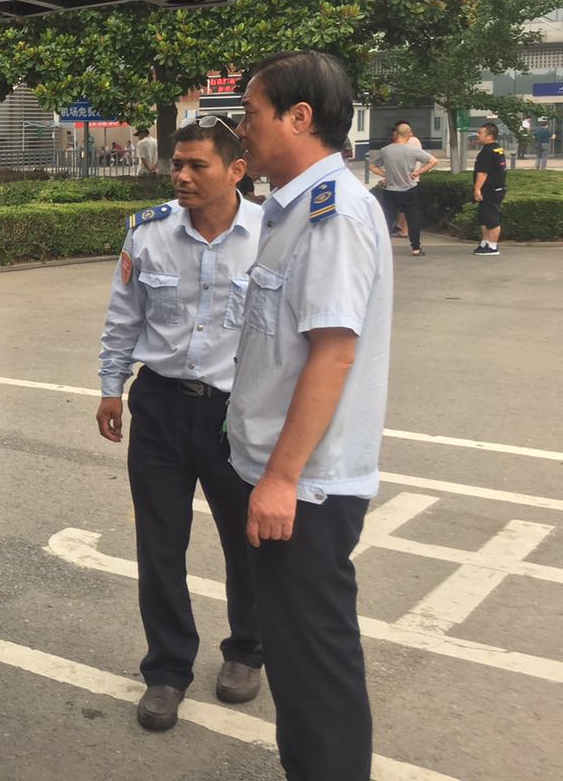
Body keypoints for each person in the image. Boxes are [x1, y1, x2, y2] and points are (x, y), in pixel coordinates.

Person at [229, 50, 393, 781]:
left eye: (251, 114)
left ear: (299, 118)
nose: (242, 129)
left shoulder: (333, 213)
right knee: (297, 662)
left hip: (308, 488)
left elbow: (332, 355)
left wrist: (281, 478)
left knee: (315, 668)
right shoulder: (292, 207)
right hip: (288, 477)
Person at [96, 118, 264, 732]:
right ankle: (167, 671)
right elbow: (124, 314)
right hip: (161, 406)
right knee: (160, 545)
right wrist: (111, 386)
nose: (182, 176)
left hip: (235, 414)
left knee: (246, 541)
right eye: (177, 165)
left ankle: (247, 650)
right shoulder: (148, 232)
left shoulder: (270, 234)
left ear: (236, 171)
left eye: (198, 166)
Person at [368, 122, 437, 256]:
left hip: (390, 190)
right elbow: (433, 161)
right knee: (413, 219)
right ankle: (416, 248)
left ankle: (382, 248)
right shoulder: (412, 150)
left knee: (387, 219)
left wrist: (386, 175)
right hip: (409, 189)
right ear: (408, 134)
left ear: (397, 134)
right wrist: (417, 172)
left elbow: (372, 166)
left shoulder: (385, 150)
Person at [472, 122, 507, 255]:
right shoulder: (497, 149)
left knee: (491, 218)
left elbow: (483, 172)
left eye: (480, 133)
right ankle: (485, 242)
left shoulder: (487, 152)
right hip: (493, 189)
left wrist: (477, 189)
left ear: (489, 136)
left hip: (491, 190)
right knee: (484, 217)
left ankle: (492, 247)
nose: (477, 135)